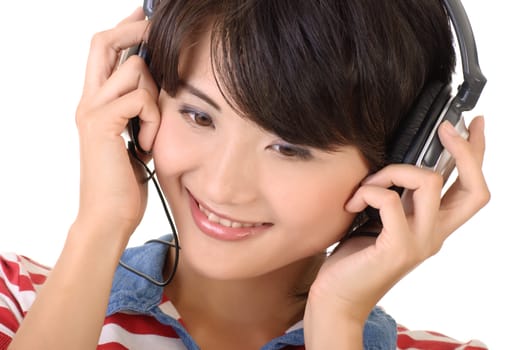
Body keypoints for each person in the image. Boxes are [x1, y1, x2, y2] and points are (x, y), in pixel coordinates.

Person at [1, 0, 489, 349]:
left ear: (405, 164)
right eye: (199, 116)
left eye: (288, 148)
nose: (221, 186)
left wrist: (336, 320)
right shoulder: (15, 300)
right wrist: (100, 224)